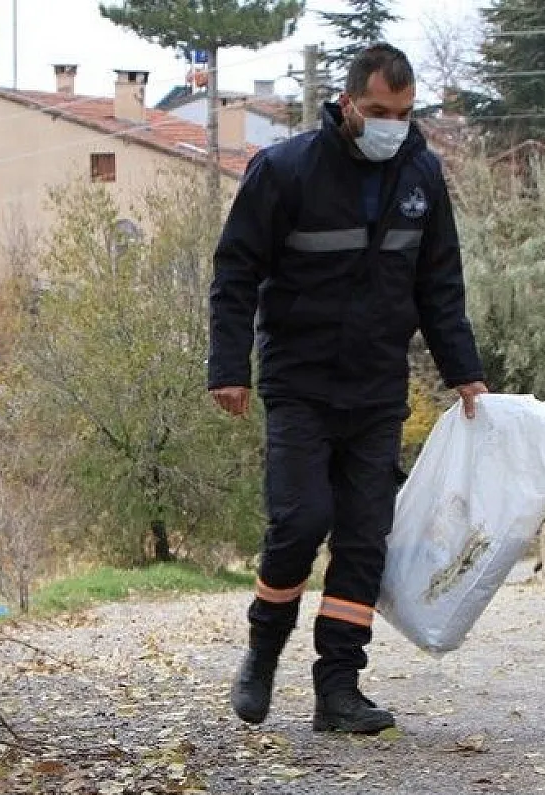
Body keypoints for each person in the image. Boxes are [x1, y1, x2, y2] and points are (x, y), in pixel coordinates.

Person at [207, 42, 487, 734]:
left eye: (403, 112)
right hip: (299, 381)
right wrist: (229, 368)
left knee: (365, 538)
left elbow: (439, 283)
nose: (392, 124)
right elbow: (236, 271)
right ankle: (263, 652)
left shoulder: (421, 176)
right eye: (378, 111)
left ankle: (338, 688)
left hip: (377, 386)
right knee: (300, 521)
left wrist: (465, 372)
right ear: (347, 103)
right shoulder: (285, 171)